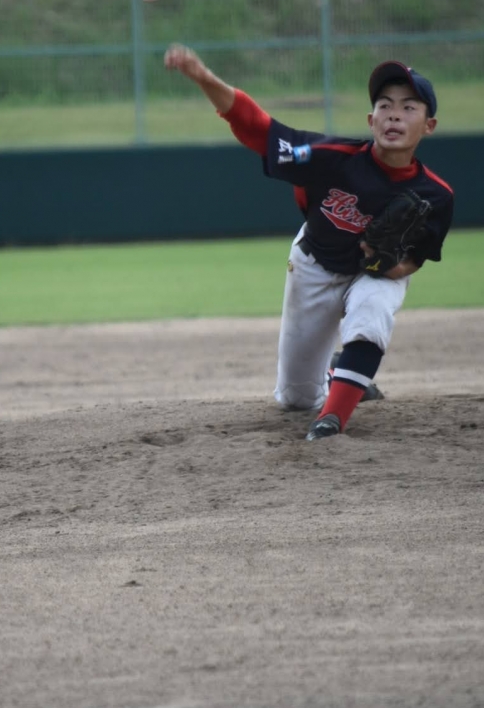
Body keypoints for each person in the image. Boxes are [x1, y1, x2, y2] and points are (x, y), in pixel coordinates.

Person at [164, 45, 454, 441]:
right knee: (296, 398)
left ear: (429, 125)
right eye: (385, 106)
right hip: (315, 265)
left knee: (372, 312)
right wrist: (202, 76)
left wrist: (389, 267)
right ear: (371, 120)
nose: (394, 115)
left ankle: (331, 420)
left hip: (373, 275)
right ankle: (338, 374)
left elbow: (416, 259)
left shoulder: (436, 195)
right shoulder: (331, 157)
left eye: (408, 107)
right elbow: (258, 129)